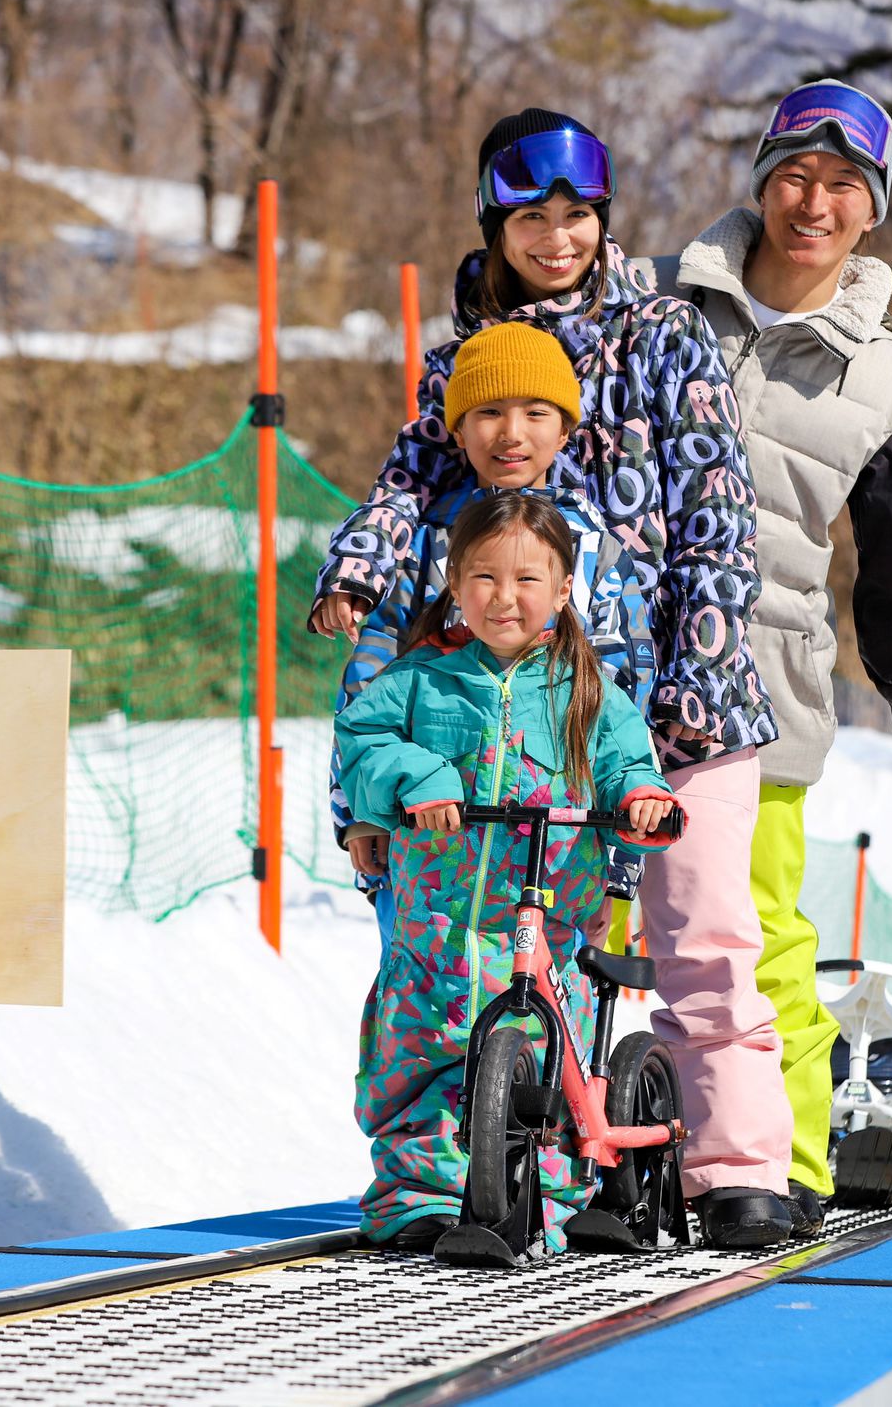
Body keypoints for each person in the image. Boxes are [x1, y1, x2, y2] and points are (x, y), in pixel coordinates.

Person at [313, 109, 797, 1247]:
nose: (559, 235)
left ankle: (732, 1172)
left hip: (666, 690)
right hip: (514, 712)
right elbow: (402, 500)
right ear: (495, 223)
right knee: (517, 958)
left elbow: (718, 521)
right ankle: (472, 1171)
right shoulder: (463, 367)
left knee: (705, 940)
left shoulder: (661, 334)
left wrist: (692, 676)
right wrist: (356, 570)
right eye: (532, 216)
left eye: (578, 214)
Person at [641, 80, 892, 1237]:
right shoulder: (655, 305)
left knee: (752, 933)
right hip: (611, 670)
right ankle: (567, 1142)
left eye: (845, 186)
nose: (815, 203)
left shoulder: (889, 387)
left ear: (872, 211)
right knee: (573, 920)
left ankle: (780, 1166)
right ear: (759, 181)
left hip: (761, 689)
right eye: (795, 174)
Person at [335, 493, 681, 1254]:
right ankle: (417, 1200)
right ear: (456, 584)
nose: (504, 596)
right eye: (484, 577)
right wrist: (416, 774)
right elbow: (360, 739)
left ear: (563, 590)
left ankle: (549, 1200)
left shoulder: (588, 690)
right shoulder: (423, 680)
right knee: (417, 1062)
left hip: (544, 925)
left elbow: (629, 764)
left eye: (528, 579)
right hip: (435, 927)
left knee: (550, 1060)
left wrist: (642, 800)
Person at [325, 321, 651, 915]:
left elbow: (624, 702)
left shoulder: (598, 552)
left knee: (546, 1005)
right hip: (433, 860)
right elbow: (368, 688)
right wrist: (361, 814)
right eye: (488, 412)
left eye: (536, 413)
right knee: (429, 1004)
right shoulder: (429, 543)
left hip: (557, 864)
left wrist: (620, 865)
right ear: (456, 429)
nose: (511, 433)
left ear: (566, 428)